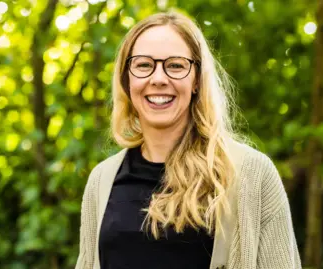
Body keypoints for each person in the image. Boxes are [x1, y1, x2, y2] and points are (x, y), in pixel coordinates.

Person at [74, 10, 301, 269]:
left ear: (196, 80)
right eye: (144, 65)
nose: (158, 78)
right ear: (127, 79)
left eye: (175, 65)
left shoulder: (253, 174)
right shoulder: (101, 180)